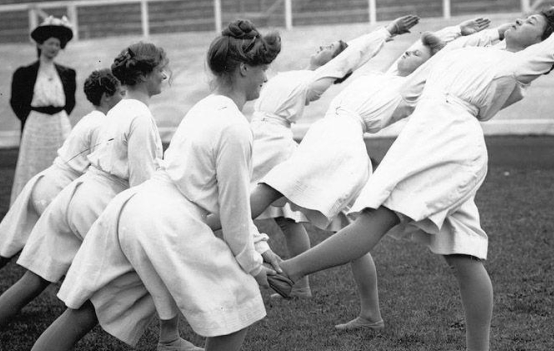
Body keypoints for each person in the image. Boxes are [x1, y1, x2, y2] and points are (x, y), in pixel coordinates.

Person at [265, 0, 554, 351]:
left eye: (530, 22)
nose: (520, 19)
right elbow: (520, 29)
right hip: (431, 140)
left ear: (538, 42)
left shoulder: (521, 63)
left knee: (376, 217)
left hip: (448, 145)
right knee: (463, 254)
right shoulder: (479, 51)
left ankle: (291, 270)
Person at [0, 19, 282, 351]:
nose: (265, 79)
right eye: (262, 70)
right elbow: (234, 209)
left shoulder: (203, 108)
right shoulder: (235, 126)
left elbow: (226, 202)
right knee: (240, 294)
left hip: (132, 209)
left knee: (81, 313)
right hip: (165, 219)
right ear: (242, 69)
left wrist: (262, 246)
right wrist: (255, 265)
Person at [210, 16, 491, 331]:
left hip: (339, 145)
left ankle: (204, 230)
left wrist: (459, 36)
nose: (410, 53)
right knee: (351, 231)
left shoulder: (410, 90)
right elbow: (407, 49)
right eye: (410, 50)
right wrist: (433, 33)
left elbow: (436, 58)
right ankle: (371, 314)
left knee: (266, 192)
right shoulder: (383, 75)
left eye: (420, 55)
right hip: (332, 142)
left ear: (429, 67)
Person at [0, 42, 203, 351]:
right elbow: (142, 187)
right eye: (161, 69)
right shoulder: (140, 117)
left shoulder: (118, 110)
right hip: (97, 203)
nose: (165, 75)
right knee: (158, 257)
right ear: (144, 76)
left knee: (31, 282)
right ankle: (169, 337)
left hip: (73, 195)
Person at [250, 14, 420, 298]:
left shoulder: (313, 82)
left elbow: (351, 56)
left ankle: (300, 283)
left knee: (313, 222)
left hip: (272, 148)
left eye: (330, 47)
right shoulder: (297, 76)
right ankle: (299, 284)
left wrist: (386, 32)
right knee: (292, 219)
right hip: (261, 141)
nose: (322, 47)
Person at [0, 69, 123, 326]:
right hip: (56, 190)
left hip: (41, 183)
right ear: (108, 95)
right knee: (57, 263)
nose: (123, 97)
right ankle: (88, 309)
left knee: (1, 254)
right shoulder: (102, 124)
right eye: (120, 92)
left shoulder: (89, 119)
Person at [9, 16, 78, 203]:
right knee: (34, 166)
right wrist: (35, 117)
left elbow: (70, 101)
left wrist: (57, 115)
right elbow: (16, 102)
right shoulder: (25, 73)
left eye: (57, 44)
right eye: (50, 43)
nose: (54, 48)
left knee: (62, 164)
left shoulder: (67, 73)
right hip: (36, 124)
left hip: (59, 123)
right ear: (40, 45)